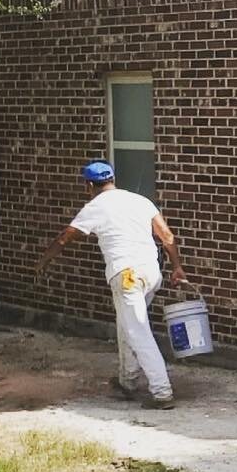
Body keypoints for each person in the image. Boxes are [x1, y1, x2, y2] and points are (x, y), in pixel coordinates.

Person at [36, 161, 189, 410]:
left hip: (126, 275)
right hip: (151, 272)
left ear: (88, 185)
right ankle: (127, 382)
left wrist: (43, 262)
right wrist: (177, 267)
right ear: (113, 179)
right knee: (127, 325)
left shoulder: (94, 207)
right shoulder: (139, 201)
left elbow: (65, 237)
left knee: (138, 331)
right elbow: (168, 237)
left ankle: (162, 392)